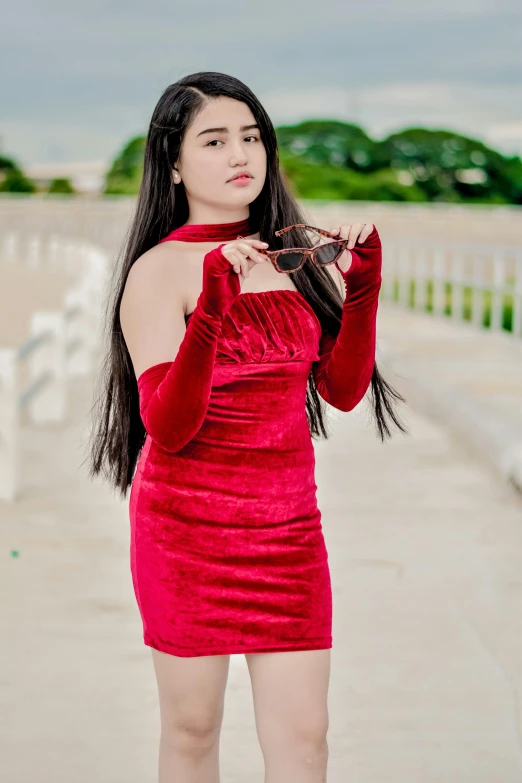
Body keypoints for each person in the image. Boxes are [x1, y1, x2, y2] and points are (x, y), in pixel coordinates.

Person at [88, 71, 408, 783]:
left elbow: (343, 391)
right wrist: (211, 308)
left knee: (305, 740)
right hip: (186, 532)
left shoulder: (289, 254)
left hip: (289, 532)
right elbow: (168, 428)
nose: (242, 154)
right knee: (193, 730)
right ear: (172, 162)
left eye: (252, 137)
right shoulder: (156, 272)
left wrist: (363, 290)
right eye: (215, 140)